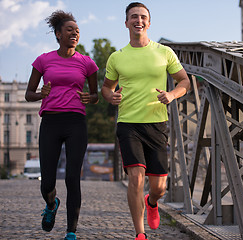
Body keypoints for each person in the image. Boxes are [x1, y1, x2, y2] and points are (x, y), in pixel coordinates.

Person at [101, 2, 190, 240]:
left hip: (156, 124)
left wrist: (172, 94)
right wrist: (111, 97)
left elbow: (184, 81)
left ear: (149, 23)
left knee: (159, 187)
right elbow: (106, 88)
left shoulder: (164, 52)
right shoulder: (117, 57)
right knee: (136, 178)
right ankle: (140, 234)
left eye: (142, 17)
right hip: (128, 124)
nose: (138, 20)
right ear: (126, 22)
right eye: (133, 17)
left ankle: (152, 203)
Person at [25, 10, 98, 240]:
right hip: (51, 122)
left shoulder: (87, 63)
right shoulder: (43, 60)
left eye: (77, 30)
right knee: (47, 181)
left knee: (71, 178)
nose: (75, 33)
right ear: (58, 34)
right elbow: (29, 94)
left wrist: (91, 98)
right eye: (69, 30)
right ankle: (51, 204)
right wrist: (40, 94)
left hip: (76, 122)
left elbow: (95, 95)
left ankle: (71, 232)